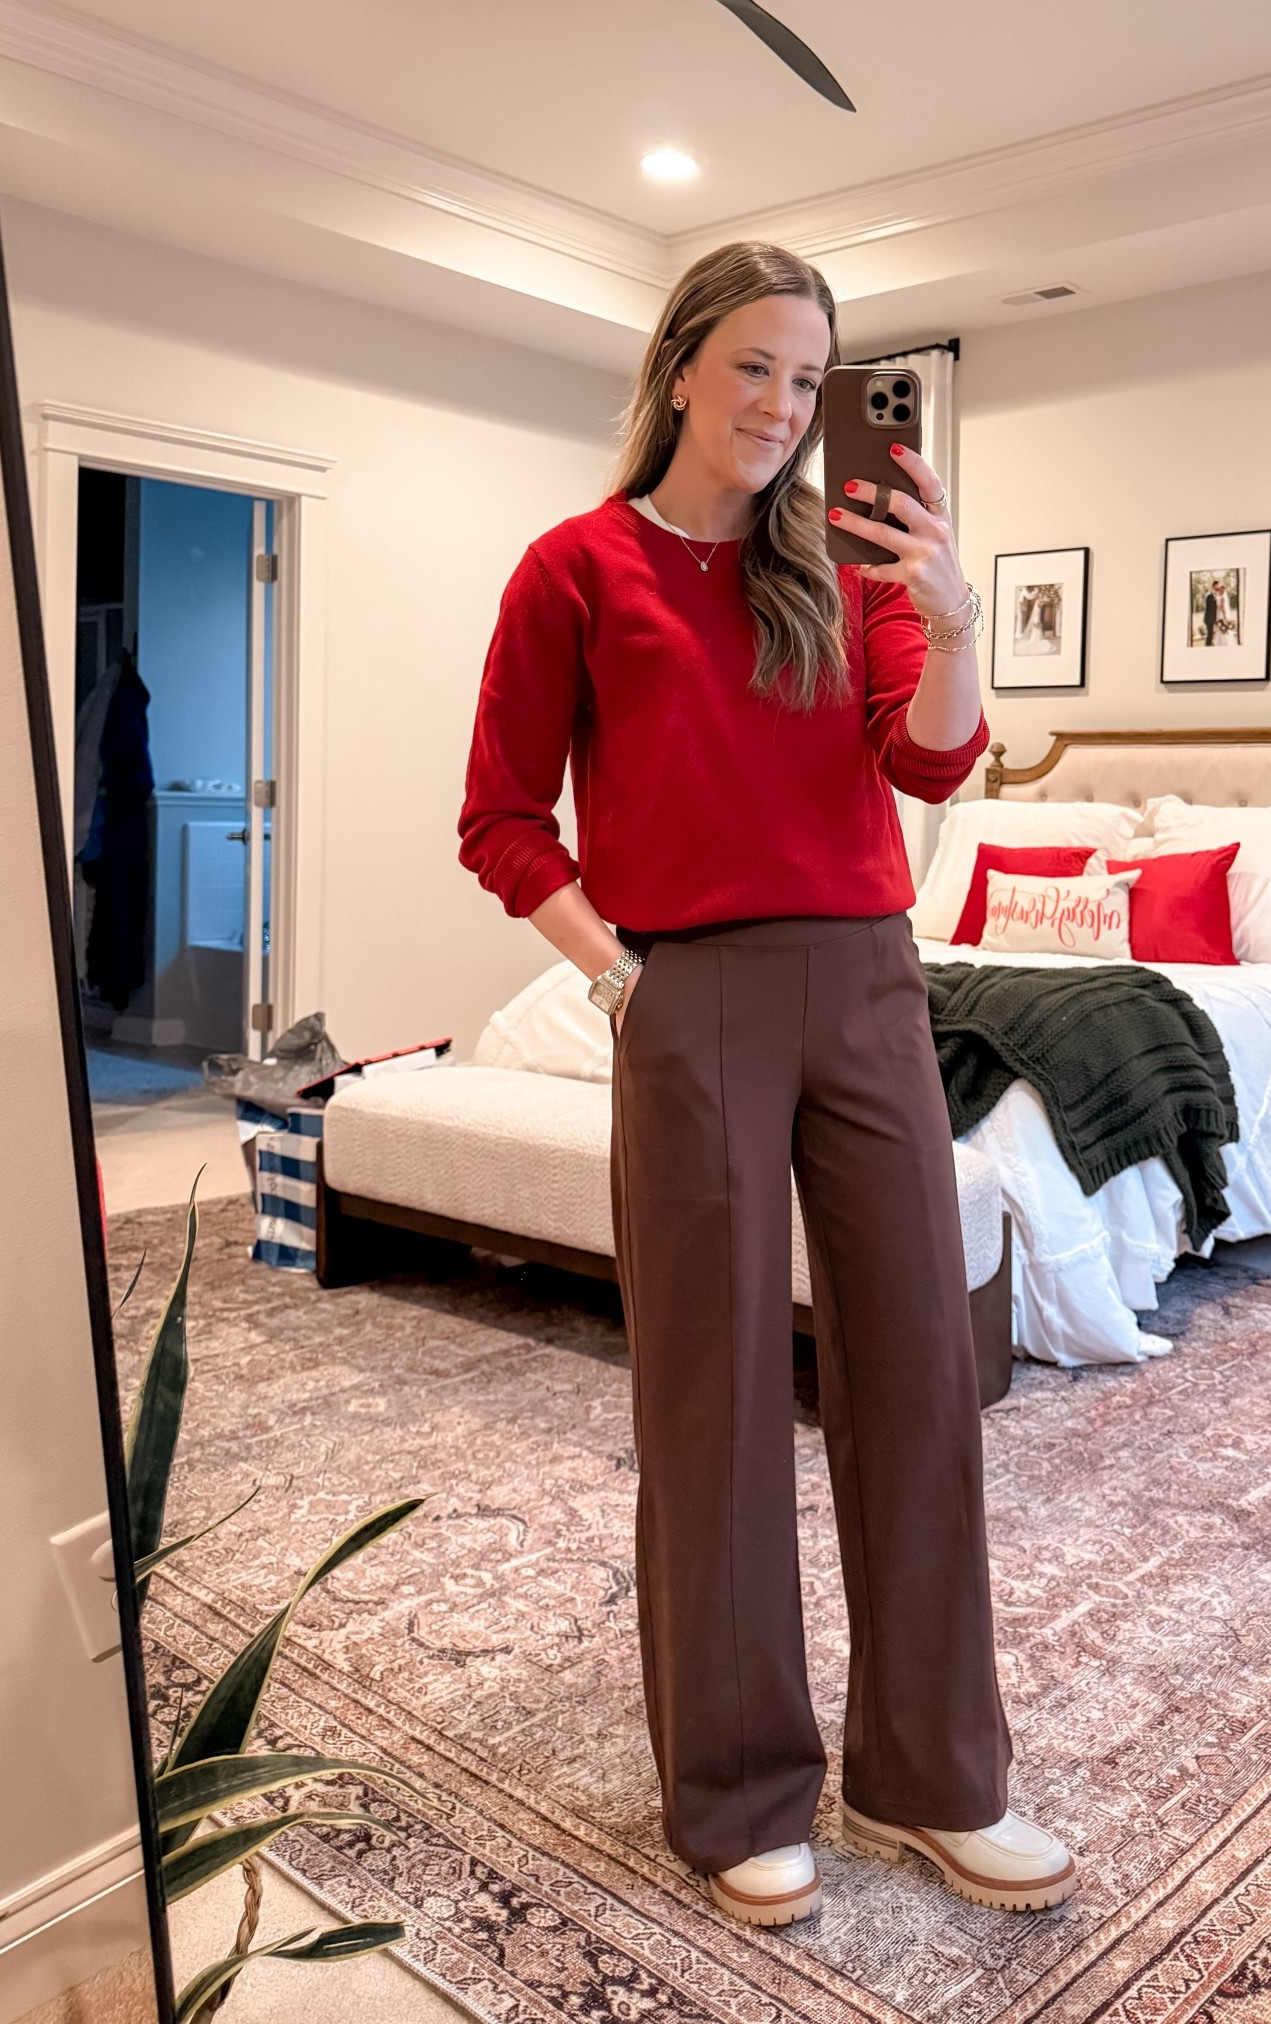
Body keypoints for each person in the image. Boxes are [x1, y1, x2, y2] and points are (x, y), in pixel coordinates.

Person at [458, 239, 1076, 1929]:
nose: (785, 409)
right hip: (690, 993)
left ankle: (939, 1779)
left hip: (873, 985)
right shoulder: (573, 570)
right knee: (716, 1398)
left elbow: (933, 754)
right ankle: (736, 1788)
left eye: (810, 382)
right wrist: (626, 977)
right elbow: (502, 821)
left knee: (919, 1382)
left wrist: (952, 617)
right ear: (679, 370)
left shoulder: (844, 569)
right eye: (756, 369)